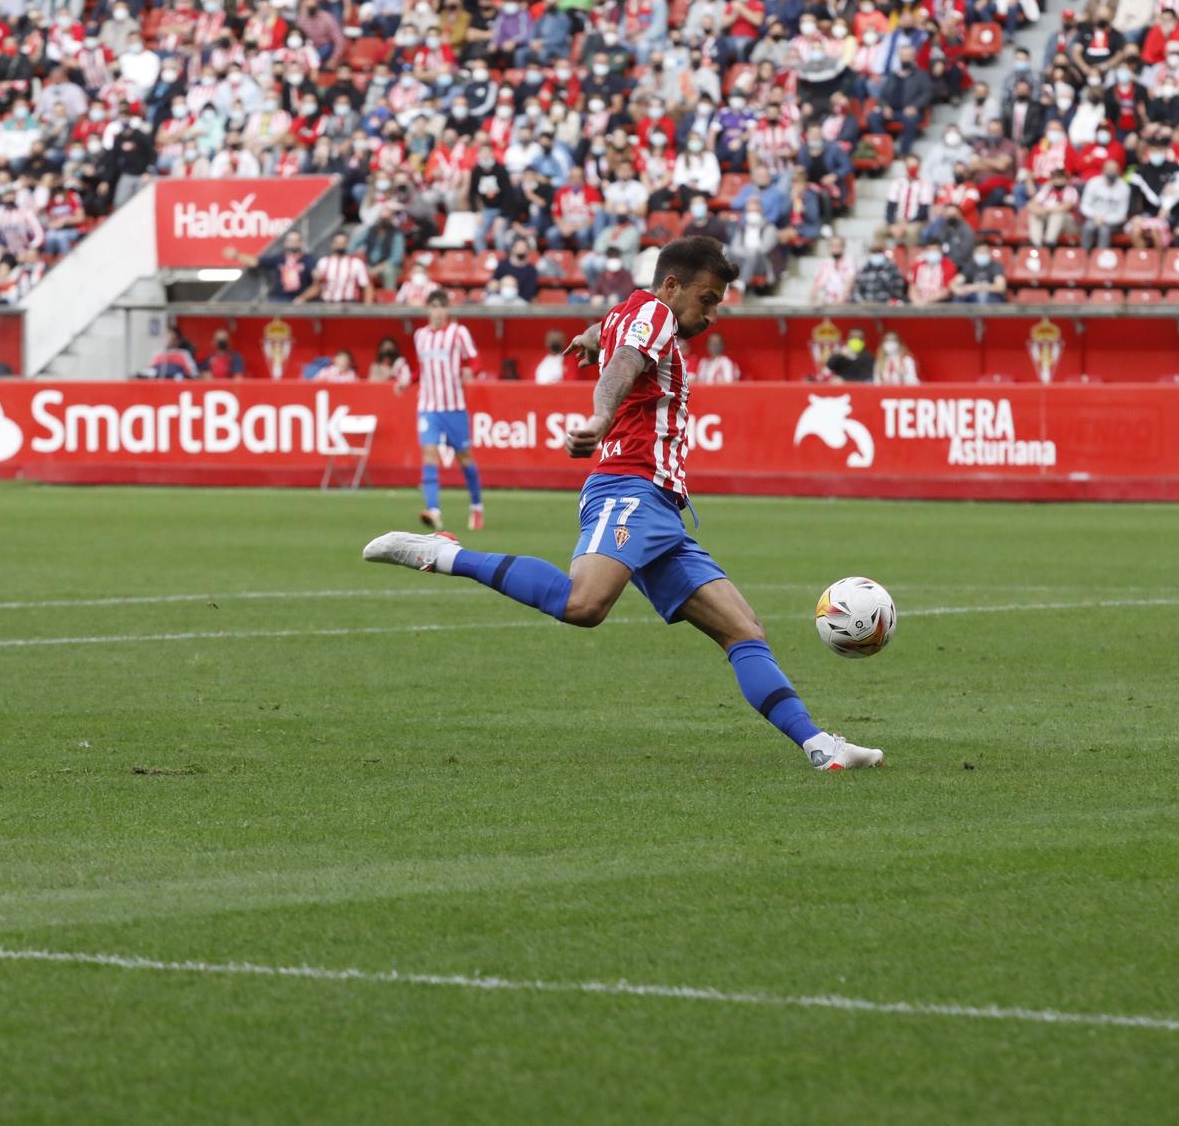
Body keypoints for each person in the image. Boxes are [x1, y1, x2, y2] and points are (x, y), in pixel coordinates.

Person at [363, 237, 882, 772]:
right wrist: (598, 420)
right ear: (672, 286)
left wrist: (589, 341)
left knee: (744, 631)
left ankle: (821, 747)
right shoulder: (654, 316)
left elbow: (604, 336)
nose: (713, 313)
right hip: (626, 487)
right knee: (583, 605)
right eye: (708, 298)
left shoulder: (627, 314)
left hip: (661, 511)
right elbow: (624, 365)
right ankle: (441, 554)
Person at [413, 290, 485, 532]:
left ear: (447, 309)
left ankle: (476, 506)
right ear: (427, 310)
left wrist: (470, 371)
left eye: (441, 306)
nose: (437, 311)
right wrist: (406, 380)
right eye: (433, 306)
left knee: (464, 458)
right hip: (428, 407)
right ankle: (433, 510)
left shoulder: (458, 332)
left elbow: (475, 360)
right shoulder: (420, 336)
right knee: (429, 455)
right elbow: (421, 369)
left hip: (453, 406)